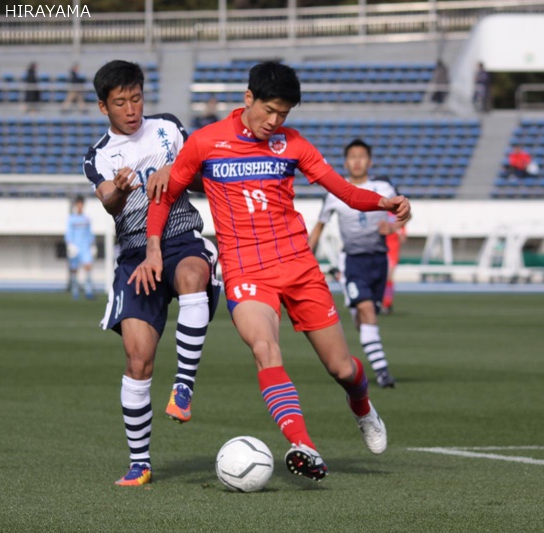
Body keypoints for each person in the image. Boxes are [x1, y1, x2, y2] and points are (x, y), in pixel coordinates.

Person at [130, 61, 411, 482]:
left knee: (342, 369)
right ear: (249, 99)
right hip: (245, 268)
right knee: (265, 349)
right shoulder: (207, 143)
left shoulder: (293, 144)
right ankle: (303, 445)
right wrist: (153, 249)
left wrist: (384, 203)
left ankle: (363, 407)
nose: (274, 122)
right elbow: (164, 194)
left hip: (298, 264)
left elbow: (345, 191)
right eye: (269, 111)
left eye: (284, 114)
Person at [84, 60, 220, 486]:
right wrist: (121, 191)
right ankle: (140, 463)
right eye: (120, 102)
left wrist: (178, 173)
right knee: (138, 359)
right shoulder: (100, 155)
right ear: (103, 106)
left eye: (137, 98)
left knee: (194, 276)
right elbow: (107, 199)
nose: (131, 109)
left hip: (181, 237)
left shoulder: (169, 128)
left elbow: (202, 176)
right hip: (135, 254)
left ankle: (183, 387)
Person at [308, 139, 407, 389]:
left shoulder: (383, 187)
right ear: (346, 162)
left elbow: (405, 213)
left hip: (378, 261)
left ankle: (366, 335)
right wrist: (306, 257)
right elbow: (319, 227)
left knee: (364, 317)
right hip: (352, 262)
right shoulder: (335, 192)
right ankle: (383, 373)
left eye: (362, 156)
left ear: (369, 161)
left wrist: (394, 225)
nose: (357, 161)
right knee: (367, 312)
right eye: (352, 157)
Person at [65, 195, 95, 300]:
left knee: (88, 267)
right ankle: (75, 292)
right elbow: (68, 233)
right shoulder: (71, 219)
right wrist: (70, 245)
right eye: (78, 204)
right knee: (74, 270)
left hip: (85, 247)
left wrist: (92, 244)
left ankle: (89, 291)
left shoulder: (86, 219)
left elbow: (89, 233)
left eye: (81, 204)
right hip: (75, 247)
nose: (80, 206)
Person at [382, 212, 406, 315]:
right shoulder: (381, 212)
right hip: (380, 248)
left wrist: (398, 232)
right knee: (380, 277)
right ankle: (379, 302)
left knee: (389, 277)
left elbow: (403, 237)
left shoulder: (397, 215)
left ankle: (387, 304)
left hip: (392, 249)